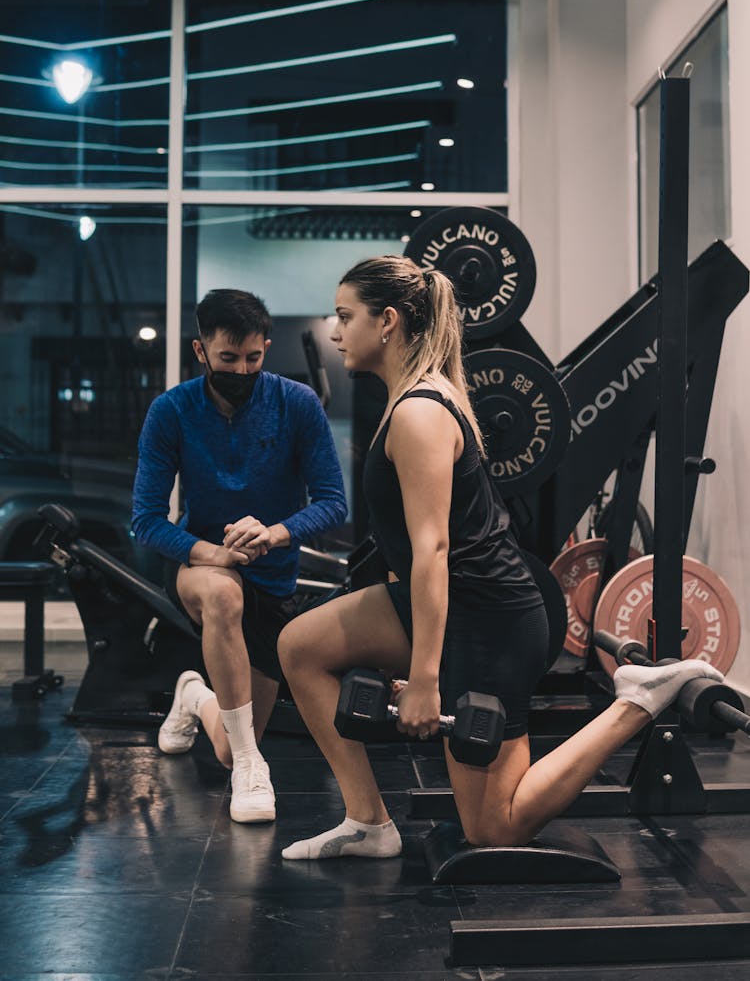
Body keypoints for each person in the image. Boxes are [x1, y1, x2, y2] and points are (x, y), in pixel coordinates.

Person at [277, 256, 723, 859]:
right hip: (442, 603)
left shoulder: (420, 412)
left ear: (386, 321)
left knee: (495, 828)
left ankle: (641, 699)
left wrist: (426, 683)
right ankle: (367, 823)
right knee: (301, 647)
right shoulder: (410, 399)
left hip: (487, 619)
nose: (335, 332)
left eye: (344, 316)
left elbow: (435, 552)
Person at [132, 288, 347, 824]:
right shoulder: (172, 411)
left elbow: (333, 503)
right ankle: (252, 766)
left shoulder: (296, 404)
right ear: (201, 351)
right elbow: (146, 520)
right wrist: (213, 554)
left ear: (266, 348)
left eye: (253, 358)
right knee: (224, 597)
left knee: (225, 740)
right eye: (228, 358)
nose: (241, 369)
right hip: (200, 568)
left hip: (273, 578)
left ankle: (193, 696)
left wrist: (274, 534)